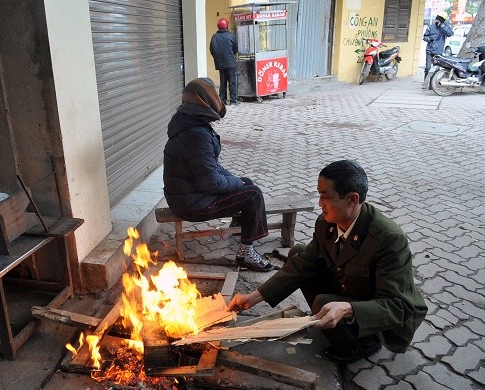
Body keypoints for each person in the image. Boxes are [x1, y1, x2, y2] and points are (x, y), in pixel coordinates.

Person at [227, 160, 428, 364]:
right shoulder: (326, 224)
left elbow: (399, 307)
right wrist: (253, 297)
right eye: (319, 195)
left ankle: (364, 343)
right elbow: (302, 264)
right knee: (298, 252)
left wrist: (348, 309)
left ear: (352, 200)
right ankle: (328, 315)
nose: (320, 204)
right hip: (351, 287)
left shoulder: (388, 239)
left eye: (325, 197)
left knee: (323, 302)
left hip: (377, 314)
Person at [163, 77, 273, 271]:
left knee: (246, 182)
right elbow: (211, 183)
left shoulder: (188, 123)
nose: (219, 99)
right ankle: (246, 252)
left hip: (185, 196)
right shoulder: (196, 134)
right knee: (253, 194)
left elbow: (212, 167)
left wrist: (237, 181)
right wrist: (237, 184)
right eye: (214, 95)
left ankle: (241, 225)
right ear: (205, 101)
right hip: (191, 205)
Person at [209, 18, 239, 105]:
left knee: (223, 82)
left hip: (220, 63)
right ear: (226, 25)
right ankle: (233, 100)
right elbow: (235, 48)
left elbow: (212, 50)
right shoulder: (231, 36)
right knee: (232, 81)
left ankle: (222, 100)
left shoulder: (214, 37)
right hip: (230, 63)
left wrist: (218, 58)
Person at [423, 11, 454, 80]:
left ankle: (433, 83)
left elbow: (450, 34)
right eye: (437, 18)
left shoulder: (446, 26)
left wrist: (442, 27)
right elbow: (425, 37)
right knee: (428, 68)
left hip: (438, 51)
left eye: (439, 19)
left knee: (436, 69)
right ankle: (426, 82)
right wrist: (429, 39)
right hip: (430, 51)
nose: (437, 20)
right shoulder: (431, 26)